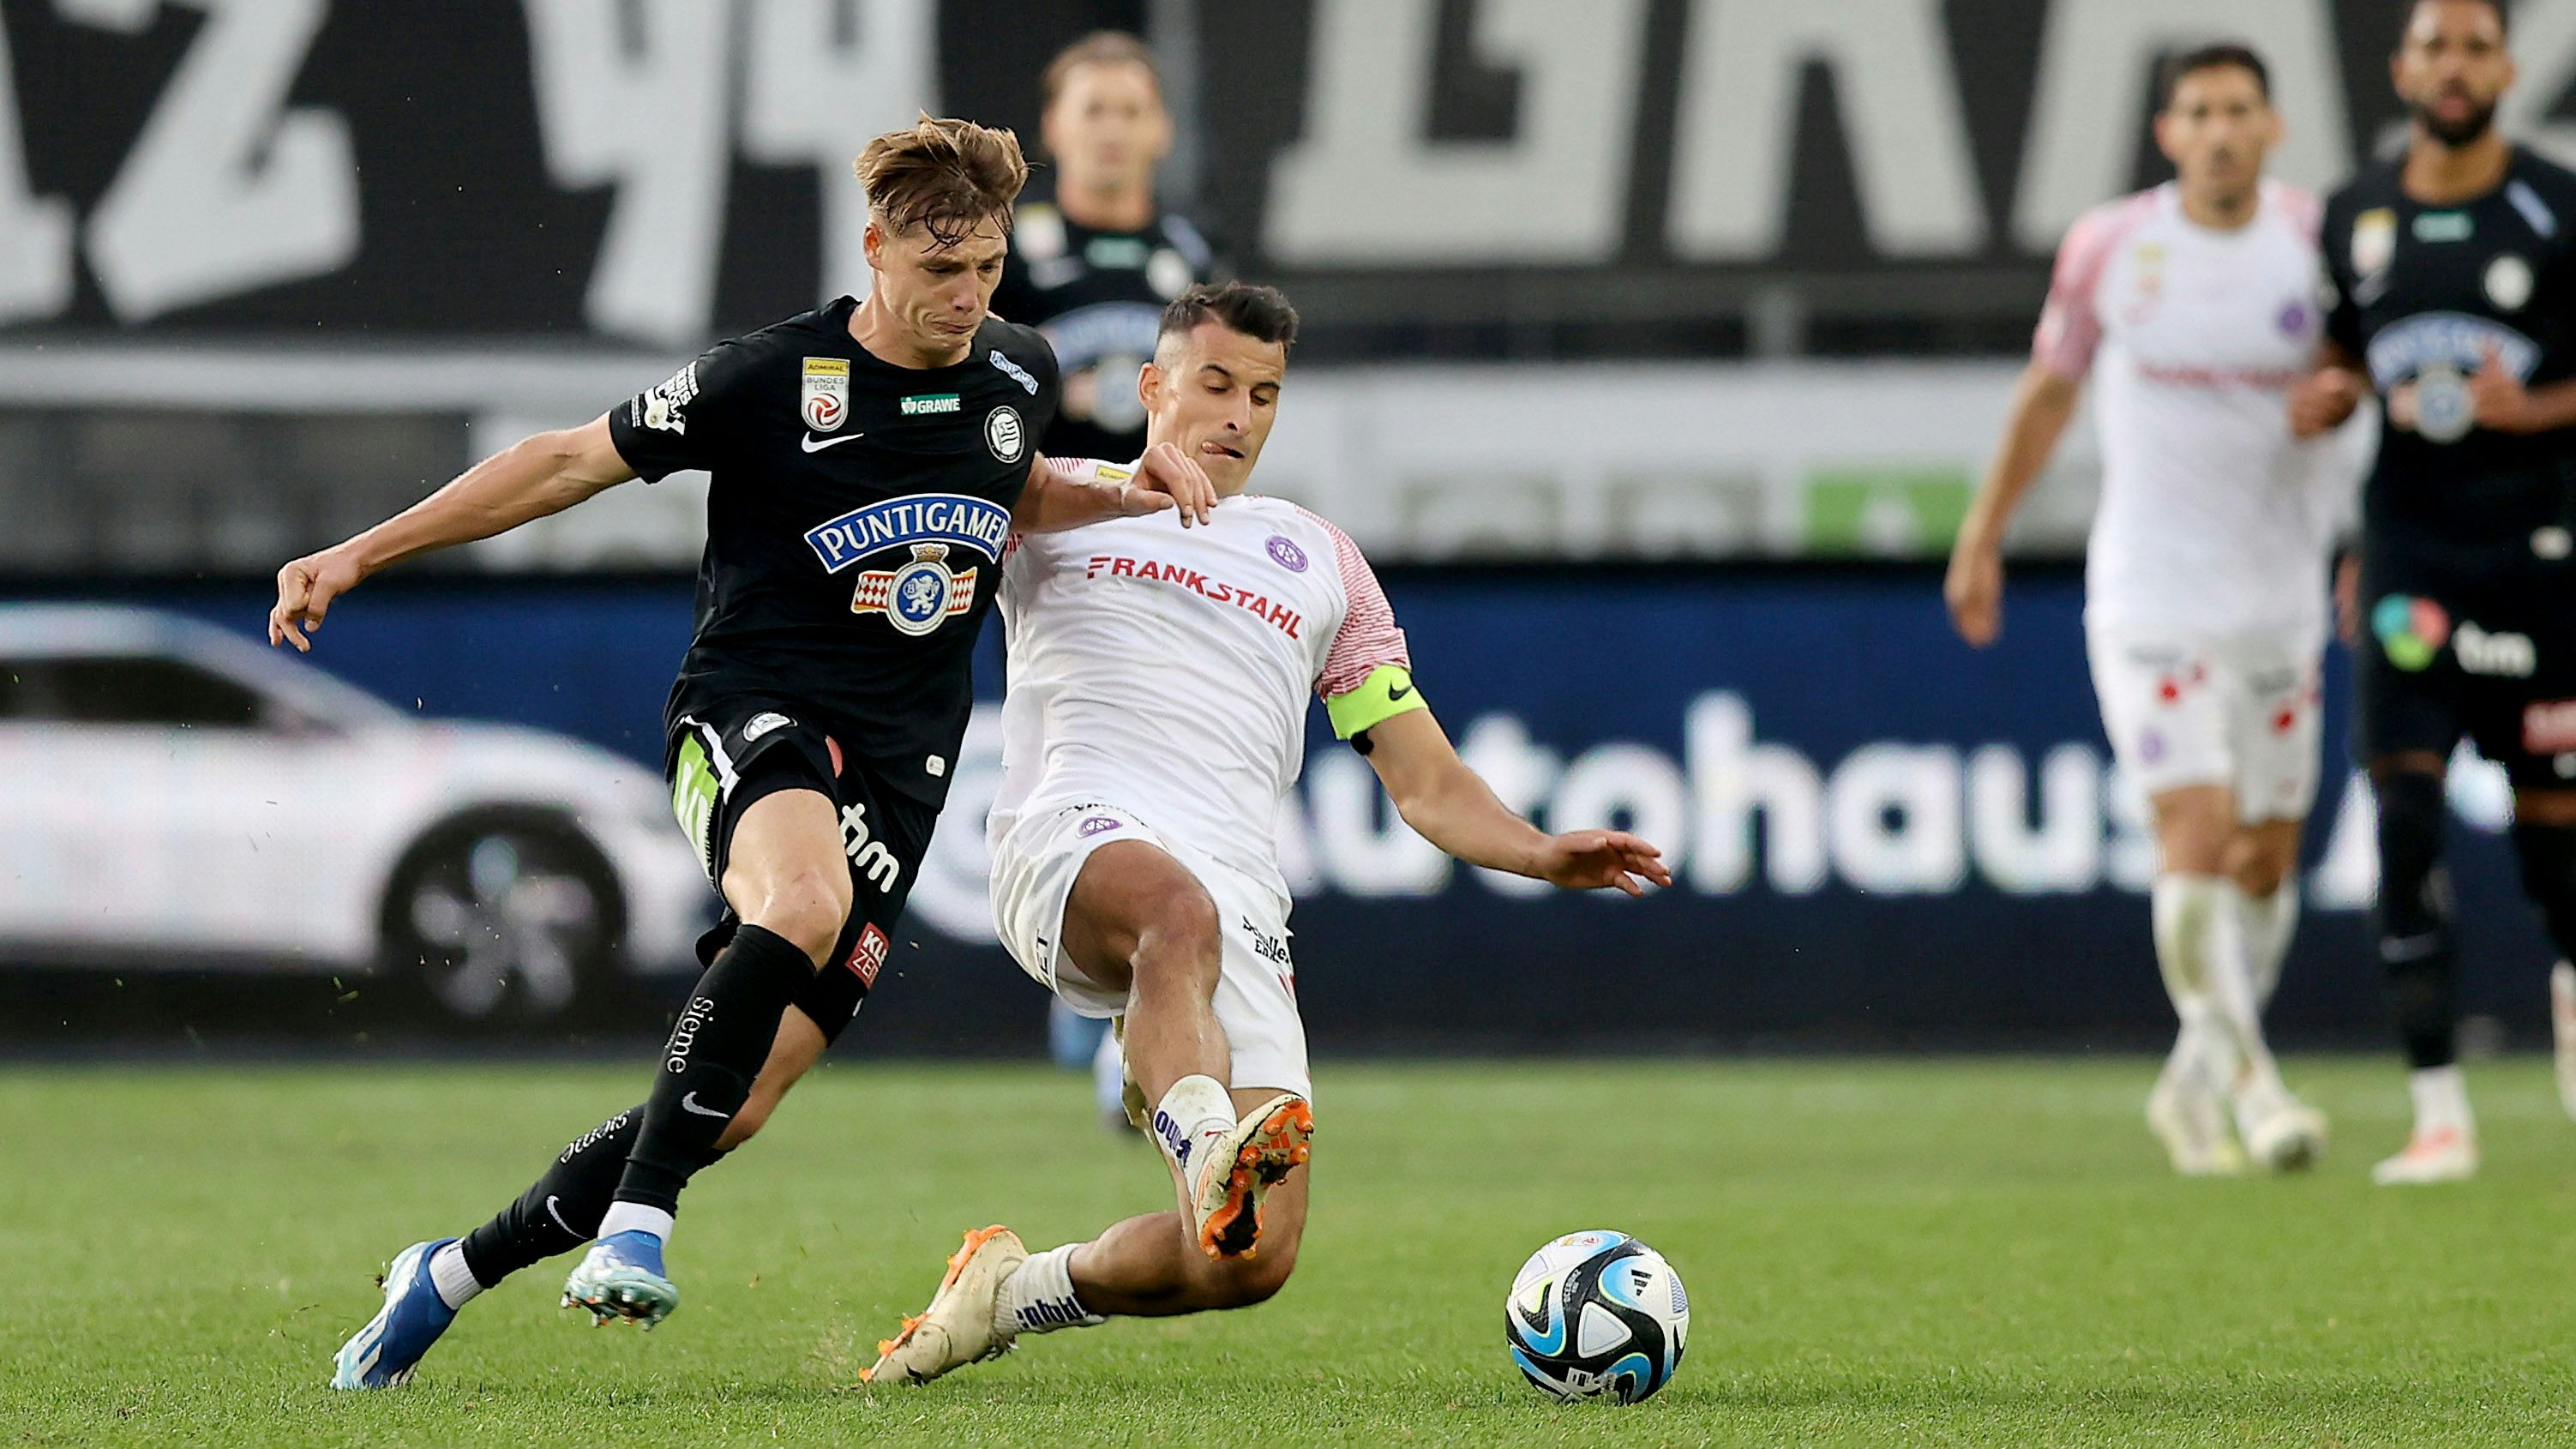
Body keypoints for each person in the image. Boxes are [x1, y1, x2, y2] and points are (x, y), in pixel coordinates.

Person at [307, 117, 1217, 1391]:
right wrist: (359, 551)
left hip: (902, 774)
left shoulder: (1017, 371)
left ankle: (446, 1272)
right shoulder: (770, 377)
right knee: (797, 899)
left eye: (986, 272)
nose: (965, 300)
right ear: (874, 250)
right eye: (938, 271)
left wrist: (1127, 483)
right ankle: (638, 1223)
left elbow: (1017, 485)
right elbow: (567, 460)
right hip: (750, 709)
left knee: (727, 1103)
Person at [860, 282, 1672, 1386]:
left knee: (1244, 1260)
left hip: (1237, 891)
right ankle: (1200, 1139)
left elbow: (1420, 774)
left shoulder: (1320, 561)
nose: (1238, 414)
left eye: (1263, 394)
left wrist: (1535, 849)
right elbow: (884, 509)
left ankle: (1013, 1291)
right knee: (1169, 914)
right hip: (1071, 838)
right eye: (1213, 384)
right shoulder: (1053, 500)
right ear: (1150, 387)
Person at [1947, 45, 2346, 1175]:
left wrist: (2356, 495)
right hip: (2149, 593)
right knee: (2198, 836)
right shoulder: (2112, 247)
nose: (2219, 130)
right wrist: (1983, 532)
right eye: (2198, 112)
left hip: (2279, 596)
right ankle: (2257, 1091)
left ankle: (2189, 1084)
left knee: (2268, 860)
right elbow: (2048, 393)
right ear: (2169, 132)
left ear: (2272, 127)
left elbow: (2356, 394)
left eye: (2238, 111)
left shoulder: (2319, 246)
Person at [2297, 0, 2576, 1184]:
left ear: (2505, 67)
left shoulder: (2556, 204)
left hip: (2541, 554)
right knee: (2403, 815)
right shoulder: (2353, 213)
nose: (2452, 68)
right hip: (2409, 548)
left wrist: (2537, 408)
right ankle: (2437, 1112)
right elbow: (2342, 355)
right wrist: (2331, 393)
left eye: (2474, 46)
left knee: (2553, 847)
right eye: (2433, 46)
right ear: (2402, 66)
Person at [991, 31, 1222, 1121]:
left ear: (1160, 131)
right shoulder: (1017, 255)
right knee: (1076, 734)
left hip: (1164, 537)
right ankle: (1087, 972)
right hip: (1054, 537)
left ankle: (1127, 998)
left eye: (1132, 109)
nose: (1114, 129)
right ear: (1055, 129)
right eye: (1094, 109)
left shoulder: (1187, 255)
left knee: (1170, 737)